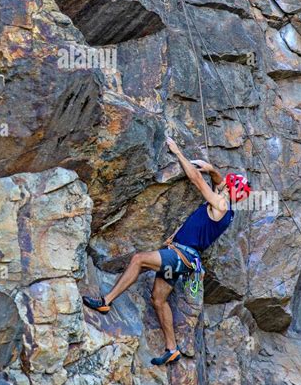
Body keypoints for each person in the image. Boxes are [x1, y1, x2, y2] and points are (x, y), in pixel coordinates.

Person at [83, 137, 251, 366]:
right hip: (183, 258)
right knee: (159, 299)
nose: (222, 184)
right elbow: (217, 182)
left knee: (139, 259)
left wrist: (178, 152)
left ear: (230, 190)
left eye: (227, 184)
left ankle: (106, 300)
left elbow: (195, 180)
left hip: (180, 257)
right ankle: (172, 349)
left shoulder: (221, 205)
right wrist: (212, 169)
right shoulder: (228, 207)